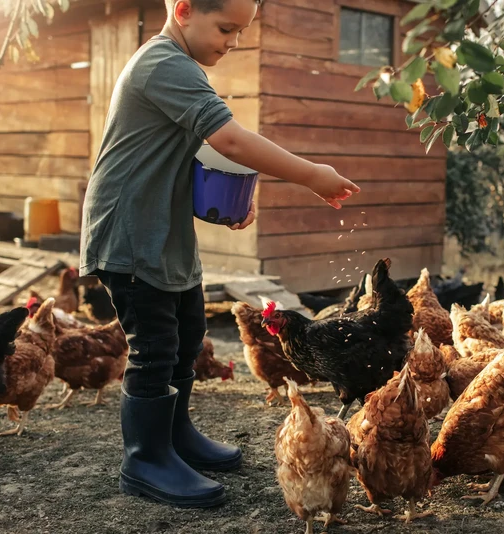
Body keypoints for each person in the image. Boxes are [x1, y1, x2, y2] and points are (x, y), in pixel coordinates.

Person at [79, 0, 359, 508]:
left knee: (188, 335)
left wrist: (223, 200)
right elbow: (229, 140)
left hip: (163, 231)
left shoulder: (181, 67)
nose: (232, 42)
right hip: (130, 232)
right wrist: (311, 175)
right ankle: (144, 459)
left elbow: (183, 154)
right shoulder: (163, 63)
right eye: (226, 28)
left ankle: (176, 436)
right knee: (156, 347)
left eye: (240, 31)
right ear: (184, 9)